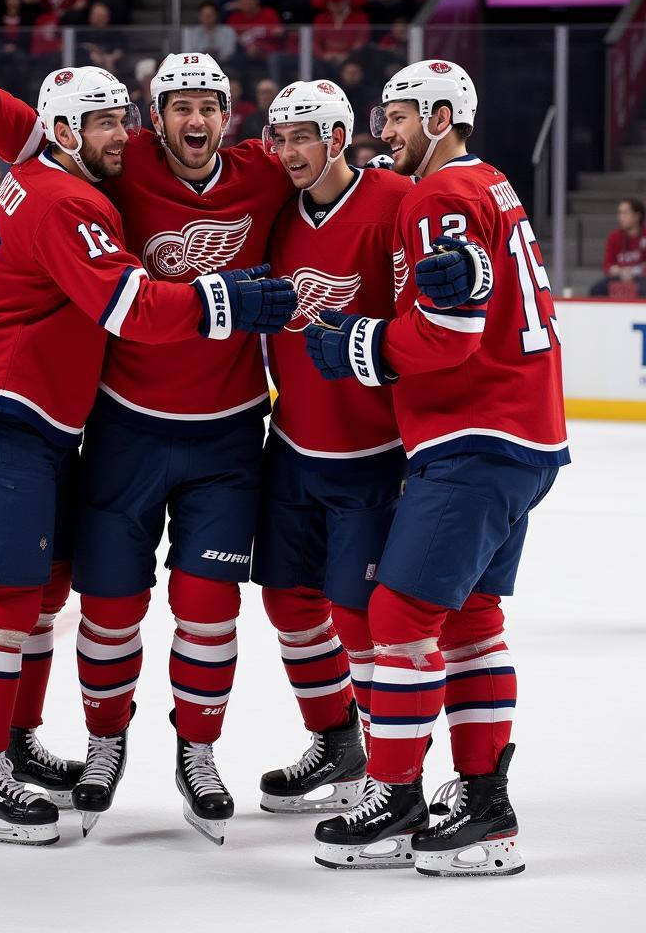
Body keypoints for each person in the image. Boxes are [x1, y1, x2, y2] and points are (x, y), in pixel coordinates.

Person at [0, 46, 299, 844]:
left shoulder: (91, 168)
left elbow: (330, 172)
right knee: (18, 599)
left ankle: (12, 746)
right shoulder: (79, 195)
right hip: (15, 409)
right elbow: (132, 307)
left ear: (230, 115)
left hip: (54, 416)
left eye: (122, 119)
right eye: (115, 120)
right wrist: (229, 300)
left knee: (45, 591)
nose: (125, 134)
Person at [304, 59, 568, 876]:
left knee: (401, 616)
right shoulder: (492, 184)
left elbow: (448, 336)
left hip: (475, 435)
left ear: (446, 116)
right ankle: (485, 802)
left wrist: (355, 345)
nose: (386, 129)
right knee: (471, 619)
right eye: (383, 114)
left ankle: (396, 794)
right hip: (526, 434)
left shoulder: (439, 195)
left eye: (400, 115)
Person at [254, 80, 412, 814]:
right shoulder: (277, 215)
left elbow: (427, 323)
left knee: (357, 614)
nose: (287, 152)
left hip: (373, 452)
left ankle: (387, 775)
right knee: (289, 603)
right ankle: (338, 744)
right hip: (291, 445)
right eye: (279, 138)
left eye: (302, 138)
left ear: (340, 137)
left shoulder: (394, 203)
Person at [590, 198, 646, 297]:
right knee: (596, 290)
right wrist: (619, 271)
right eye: (620, 213)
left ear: (637, 216)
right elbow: (607, 265)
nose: (621, 217)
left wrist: (633, 272)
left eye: (625, 213)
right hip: (618, 277)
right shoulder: (614, 237)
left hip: (642, 279)